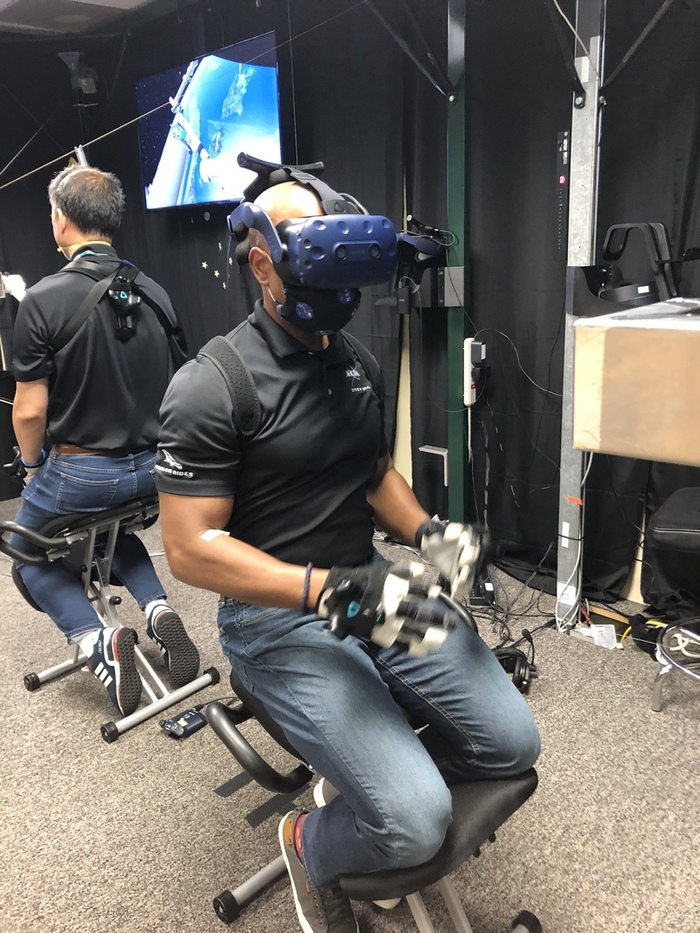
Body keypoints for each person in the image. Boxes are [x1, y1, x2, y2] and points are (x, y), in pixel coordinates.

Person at [155, 178, 540, 933]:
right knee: (416, 819)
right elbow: (189, 549)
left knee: (511, 742)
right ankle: (310, 839)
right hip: (273, 619)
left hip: (369, 586)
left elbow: (373, 474)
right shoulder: (212, 384)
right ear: (261, 264)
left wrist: (431, 537)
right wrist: (319, 589)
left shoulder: (355, 359)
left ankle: (380, 795)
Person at [8, 164, 200, 719]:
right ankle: (159, 611)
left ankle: (97, 642)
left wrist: (32, 465)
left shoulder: (42, 299)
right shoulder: (156, 293)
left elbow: (30, 411)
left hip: (82, 474)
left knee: (27, 554)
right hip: (155, 473)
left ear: (61, 220)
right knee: (111, 535)